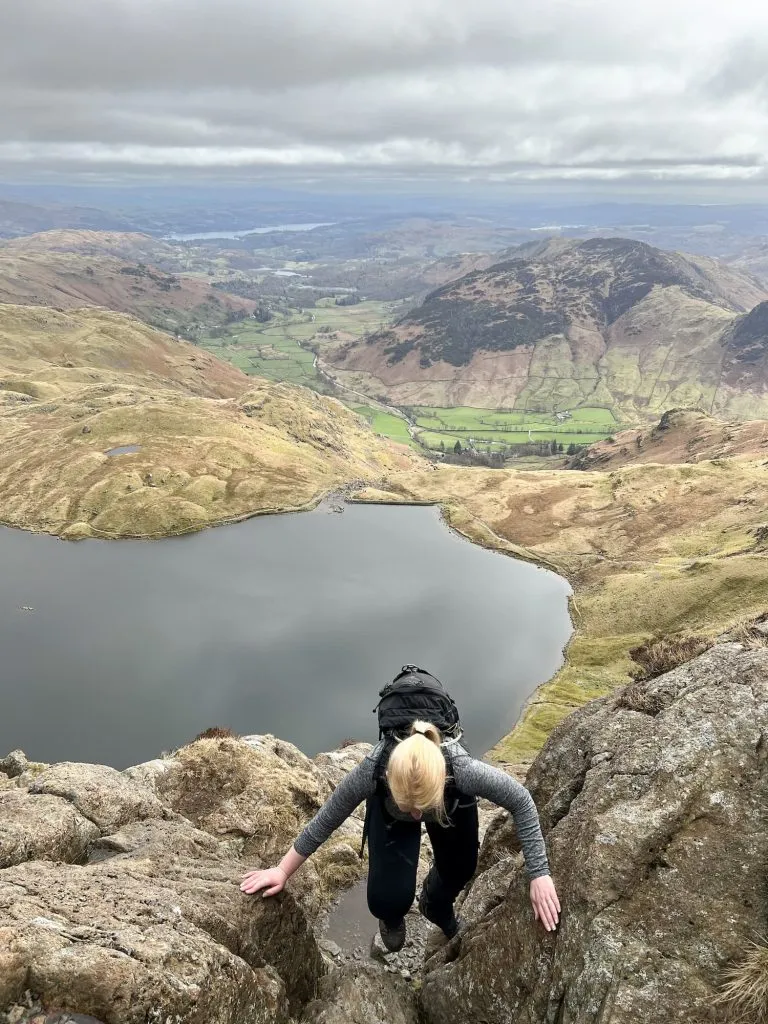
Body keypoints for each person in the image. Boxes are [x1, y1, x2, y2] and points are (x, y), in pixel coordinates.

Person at [240, 667, 560, 952]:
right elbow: (326, 820)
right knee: (385, 897)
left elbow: (522, 800)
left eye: (422, 808)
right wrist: (282, 870)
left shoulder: (461, 770)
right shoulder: (373, 771)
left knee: (461, 867)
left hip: (450, 799)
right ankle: (392, 916)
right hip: (393, 808)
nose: (417, 817)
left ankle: (435, 905)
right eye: (409, 807)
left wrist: (539, 873)